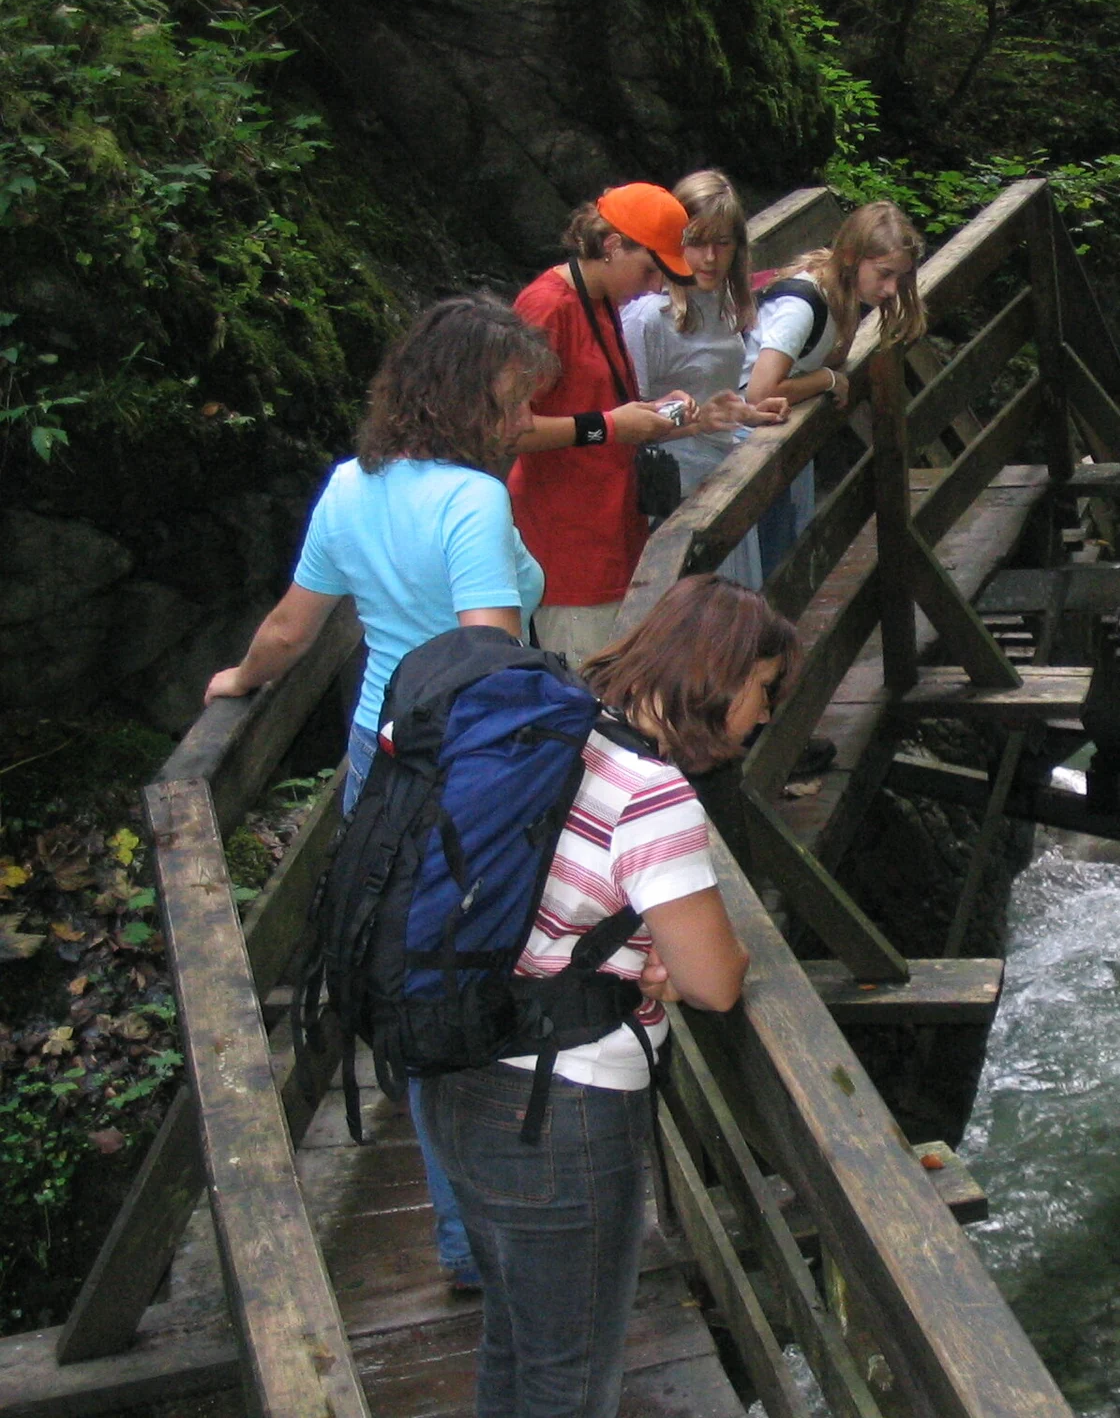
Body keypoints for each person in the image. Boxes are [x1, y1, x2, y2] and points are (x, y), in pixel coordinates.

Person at [204, 293, 554, 1293]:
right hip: (470, 765)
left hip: (378, 754)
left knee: (416, 981)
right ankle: (490, 1229)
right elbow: (486, 647)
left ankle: (463, 1236)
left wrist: (240, 681)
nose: (520, 420)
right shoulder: (470, 501)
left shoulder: (349, 486)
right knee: (484, 985)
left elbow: (290, 624)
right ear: (464, 395)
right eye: (512, 398)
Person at [416, 574, 790, 1418]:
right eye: (764, 689)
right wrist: (677, 955)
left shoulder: (553, 728)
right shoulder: (654, 798)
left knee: (515, 1341)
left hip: (456, 1071)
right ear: (721, 677)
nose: (764, 714)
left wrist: (644, 944)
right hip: (560, 1114)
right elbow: (716, 982)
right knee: (571, 1379)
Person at [509, 183, 700, 668]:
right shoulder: (546, 307)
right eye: (650, 269)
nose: (656, 286)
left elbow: (597, 405)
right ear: (613, 246)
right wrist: (609, 426)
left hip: (615, 534)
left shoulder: (602, 300)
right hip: (570, 554)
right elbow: (508, 428)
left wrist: (653, 411)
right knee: (586, 698)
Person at [621, 170, 789, 587]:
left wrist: (744, 412)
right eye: (695, 242)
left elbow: (709, 393)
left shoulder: (724, 301)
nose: (710, 258)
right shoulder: (648, 318)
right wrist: (698, 421)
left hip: (720, 474)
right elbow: (627, 427)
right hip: (671, 495)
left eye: (722, 243)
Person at [743, 200, 927, 574]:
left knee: (789, 551)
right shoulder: (803, 306)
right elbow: (758, 391)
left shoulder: (837, 293)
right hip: (742, 444)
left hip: (772, 440)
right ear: (849, 257)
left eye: (901, 279)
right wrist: (825, 381)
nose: (892, 289)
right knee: (773, 563)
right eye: (884, 274)